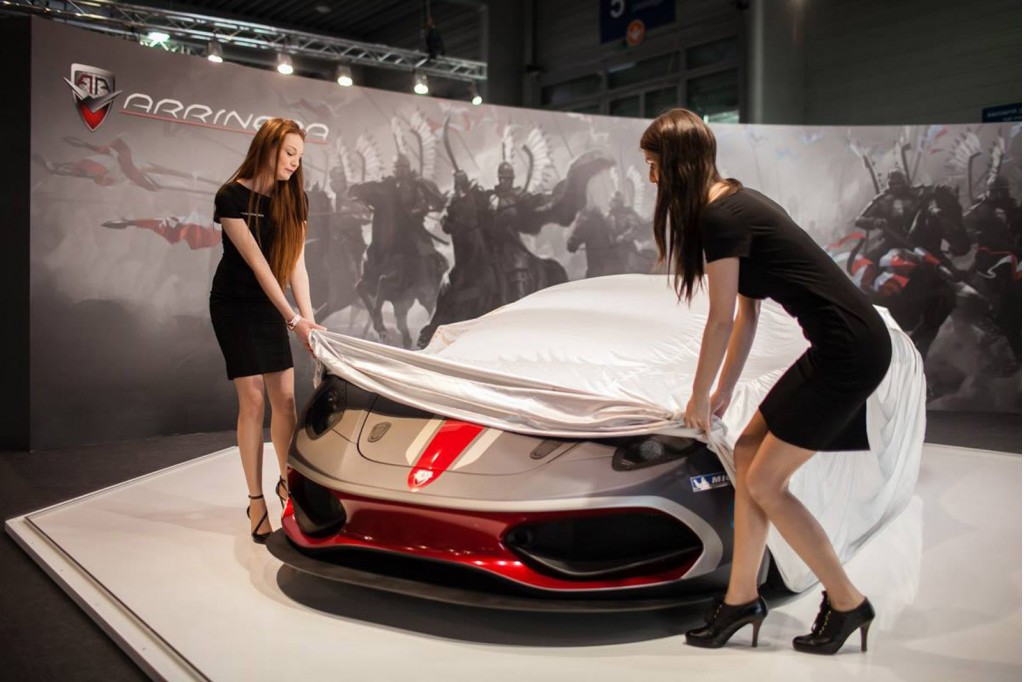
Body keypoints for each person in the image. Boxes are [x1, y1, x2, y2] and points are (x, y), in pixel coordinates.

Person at [640, 109, 891, 655]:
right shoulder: (734, 202)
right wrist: (724, 390)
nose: (650, 176)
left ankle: (847, 601)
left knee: (767, 483)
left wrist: (698, 399)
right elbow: (747, 315)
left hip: (850, 351)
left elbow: (721, 318)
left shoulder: (721, 218)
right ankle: (740, 599)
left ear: (678, 165)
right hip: (840, 344)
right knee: (749, 452)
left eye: (654, 164)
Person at [210, 118, 324, 544]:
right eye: (289, 153)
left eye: (300, 156)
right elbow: (259, 265)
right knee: (254, 400)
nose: (294, 163)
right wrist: (293, 320)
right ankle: (256, 500)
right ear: (267, 148)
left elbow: (295, 264)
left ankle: (287, 485)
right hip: (235, 305)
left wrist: (308, 320)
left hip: (272, 305)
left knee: (286, 400)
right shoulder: (231, 196)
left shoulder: (295, 198)